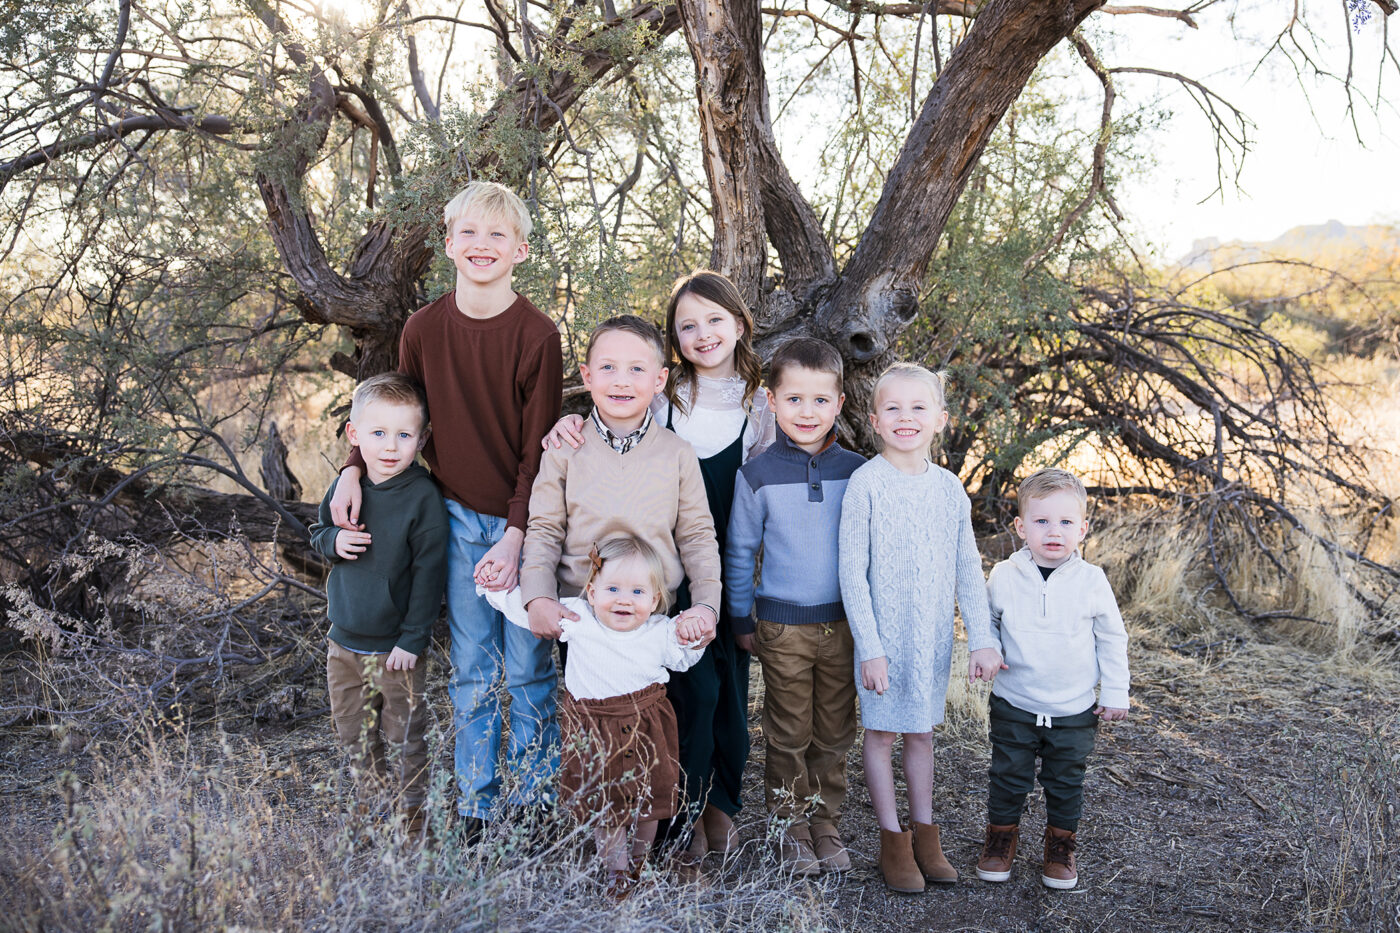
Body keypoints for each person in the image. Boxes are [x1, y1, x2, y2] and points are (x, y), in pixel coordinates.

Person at [328, 181, 564, 834]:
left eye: (497, 235)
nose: (482, 245)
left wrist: (515, 536)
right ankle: (476, 807)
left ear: (520, 249)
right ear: (448, 243)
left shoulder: (537, 335)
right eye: (470, 233)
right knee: (473, 669)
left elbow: (537, 453)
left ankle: (534, 804)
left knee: (528, 669)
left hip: (524, 524)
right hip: (455, 518)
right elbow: (394, 415)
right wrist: (352, 467)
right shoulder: (423, 329)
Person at [542, 270, 773, 857]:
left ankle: (712, 808)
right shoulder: (662, 405)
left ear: (739, 325)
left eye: (714, 320)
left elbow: (756, 490)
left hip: (714, 571)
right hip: (640, 588)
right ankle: (651, 828)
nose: (703, 334)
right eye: (687, 325)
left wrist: (720, 596)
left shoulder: (758, 404)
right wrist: (569, 421)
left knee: (718, 696)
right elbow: (613, 424)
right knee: (654, 706)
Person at [838, 361, 1005, 894]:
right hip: (882, 643)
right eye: (893, 408)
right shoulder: (865, 484)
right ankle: (893, 840)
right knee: (881, 733)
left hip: (931, 639)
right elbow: (852, 574)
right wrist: (870, 648)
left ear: (940, 419)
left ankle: (926, 838)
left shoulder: (950, 489)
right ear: (874, 420)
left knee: (922, 734)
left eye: (918, 407)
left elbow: (967, 569)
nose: (905, 417)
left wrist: (981, 639)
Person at [480, 535, 710, 898]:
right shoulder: (577, 617)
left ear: (654, 601)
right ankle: (616, 871)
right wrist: (495, 589)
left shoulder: (660, 631)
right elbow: (526, 611)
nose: (624, 599)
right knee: (607, 808)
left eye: (638, 592)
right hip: (594, 730)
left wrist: (692, 634)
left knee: (648, 804)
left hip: (647, 727)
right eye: (613, 588)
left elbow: (685, 657)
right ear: (591, 591)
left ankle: (641, 862)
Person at [723, 336, 864, 874]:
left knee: (835, 729)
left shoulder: (859, 472)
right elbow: (740, 551)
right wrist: (741, 617)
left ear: (840, 403)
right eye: (795, 399)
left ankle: (825, 821)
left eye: (821, 400)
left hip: (845, 625)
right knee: (787, 730)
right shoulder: (756, 474)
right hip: (781, 628)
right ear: (771, 401)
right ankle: (789, 825)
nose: (808, 412)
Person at [976, 467, 1130, 890]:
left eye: (1065, 521)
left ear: (1082, 528)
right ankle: (1000, 839)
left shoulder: (1092, 581)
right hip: (1015, 701)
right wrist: (987, 648)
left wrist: (1116, 691)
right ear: (1020, 527)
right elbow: (987, 621)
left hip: (1073, 708)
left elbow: (1112, 638)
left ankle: (1060, 845)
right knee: (1007, 775)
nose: (1053, 531)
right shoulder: (1005, 575)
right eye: (1042, 521)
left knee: (1065, 780)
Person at [309, 373, 449, 835]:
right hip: (343, 644)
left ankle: (414, 823)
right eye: (378, 433)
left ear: (422, 440)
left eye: (404, 435)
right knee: (353, 734)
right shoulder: (346, 487)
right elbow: (318, 532)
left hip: (396, 651)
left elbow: (430, 574)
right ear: (354, 434)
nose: (391, 447)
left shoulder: (422, 498)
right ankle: (374, 809)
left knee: (405, 737)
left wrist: (413, 639)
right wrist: (333, 541)